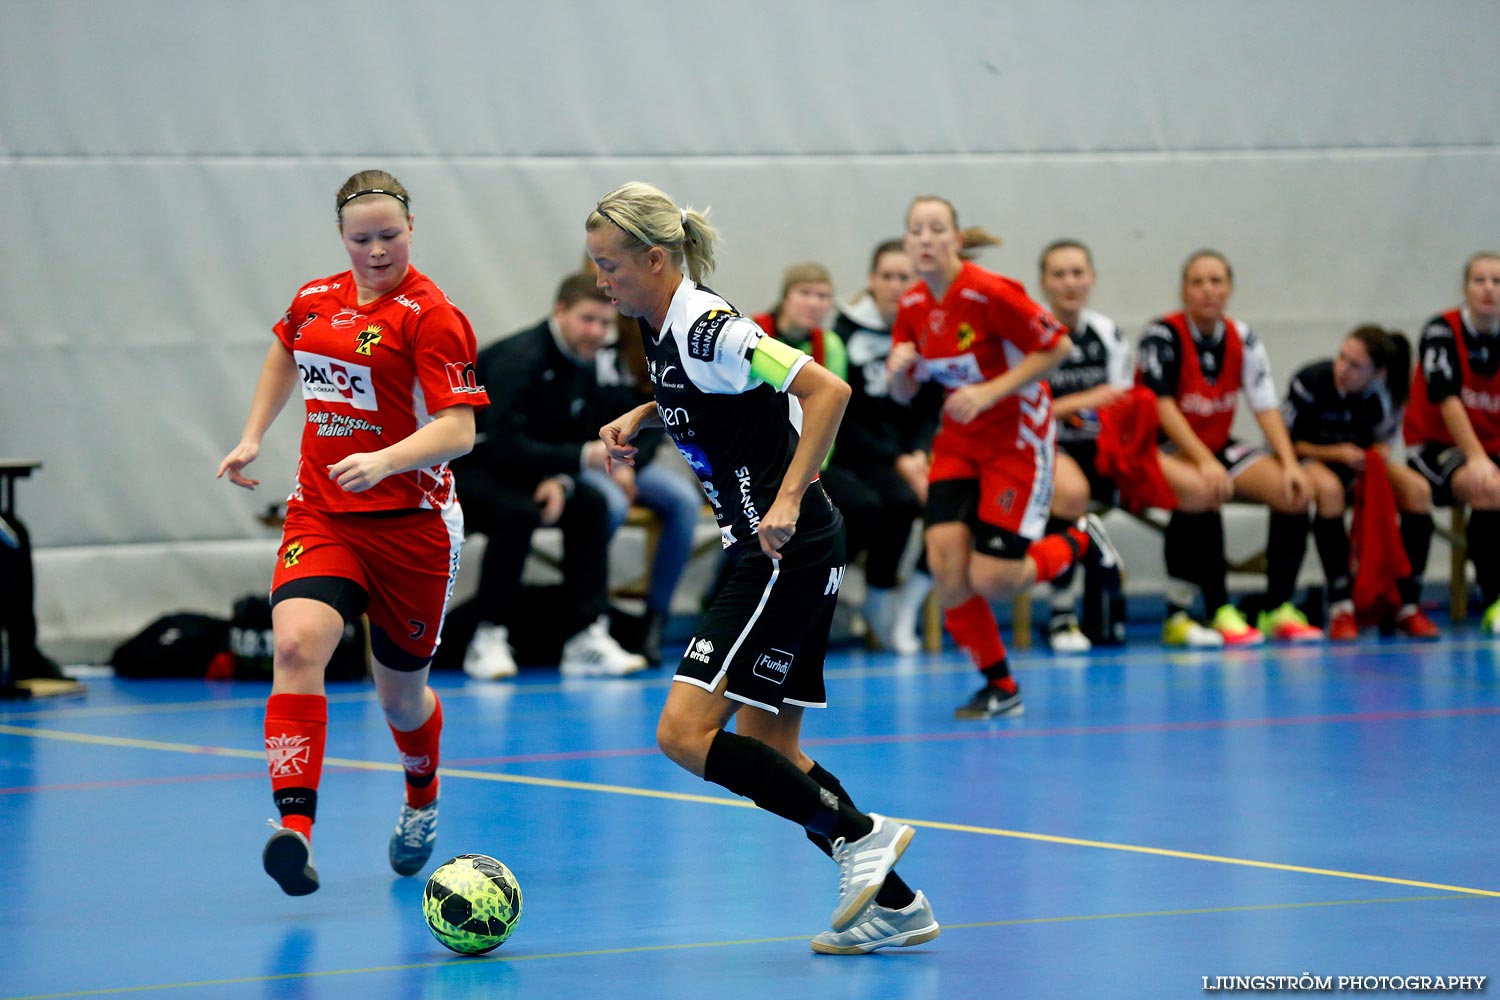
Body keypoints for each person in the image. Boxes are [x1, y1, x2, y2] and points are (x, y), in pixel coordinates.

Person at [588, 181, 936, 955]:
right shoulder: (659, 322)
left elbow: (827, 389)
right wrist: (644, 414)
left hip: (782, 549)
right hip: (791, 551)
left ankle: (859, 836)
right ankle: (900, 907)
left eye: (610, 265)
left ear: (654, 258)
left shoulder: (710, 324)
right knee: (772, 748)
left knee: (683, 733)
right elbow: (715, 397)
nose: (600, 280)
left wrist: (784, 500)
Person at [216, 170, 489, 895]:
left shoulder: (433, 316)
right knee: (297, 643)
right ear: (342, 237)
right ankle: (294, 832)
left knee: (399, 697)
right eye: (361, 239)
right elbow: (286, 349)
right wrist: (252, 437)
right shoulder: (314, 299)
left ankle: (422, 794)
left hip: (414, 526)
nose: (376, 251)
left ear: (411, 230)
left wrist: (388, 459)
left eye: (389, 237)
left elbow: (460, 429)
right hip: (324, 513)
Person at [887, 196, 1114, 719]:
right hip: (960, 442)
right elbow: (903, 395)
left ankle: (1082, 538)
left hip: (1017, 442)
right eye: (916, 229)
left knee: (993, 578)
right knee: (947, 565)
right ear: (907, 242)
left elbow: (1056, 347)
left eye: (936, 228)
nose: (925, 238)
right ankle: (1001, 686)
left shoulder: (991, 292)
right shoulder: (914, 305)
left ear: (956, 240)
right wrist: (901, 369)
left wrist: (991, 392)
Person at [449, 273, 653, 678]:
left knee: (591, 505)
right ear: (560, 312)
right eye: (587, 320)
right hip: (469, 472)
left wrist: (560, 480)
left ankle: (585, 636)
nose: (596, 332)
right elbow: (501, 446)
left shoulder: (583, 360)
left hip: (529, 474)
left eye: (605, 322)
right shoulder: (518, 360)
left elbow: (566, 433)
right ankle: (487, 635)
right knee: (520, 513)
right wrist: (578, 460)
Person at [1136, 249, 1314, 647]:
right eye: (1197, 282)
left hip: (1215, 443)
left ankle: (1276, 607)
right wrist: (1202, 460)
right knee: (1205, 488)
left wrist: (1289, 463)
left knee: (1295, 493)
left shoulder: (1243, 337)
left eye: (1216, 281)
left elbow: (1265, 404)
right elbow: (1162, 406)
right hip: (1159, 444)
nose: (1207, 291)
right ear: (1183, 290)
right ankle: (1215, 608)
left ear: (1230, 288)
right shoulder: (1161, 335)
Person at [1283, 326, 1439, 639]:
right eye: (1342, 357)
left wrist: (1379, 453)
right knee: (1330, 492)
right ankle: (1341, 605)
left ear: (1377, 373)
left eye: (1355, 366)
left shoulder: (1385, 394)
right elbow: (1286, 443)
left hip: (1358, 463)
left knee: (1418, 491)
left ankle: (1406, 603)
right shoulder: (1310, 381)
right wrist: (1334, 452)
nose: (1343, 368)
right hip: (1309, 457)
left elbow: (1383, 442)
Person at [828, 241, 939, 655]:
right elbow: (844, 414)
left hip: (911, 453)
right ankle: (878, 596)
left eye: (905, 277)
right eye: (887, 276)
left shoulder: (926, 329)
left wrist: (917, 453)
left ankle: (909, 602)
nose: (896, 286)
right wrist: (898, 460)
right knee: (897, 502)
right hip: (860, 453)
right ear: (872, 281)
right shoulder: (846, 331)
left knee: (955, 501)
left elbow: (930, 404)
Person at [1035, 240, 1131, 652]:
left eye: (1077, 273)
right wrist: (1078, 403)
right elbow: (1025, 411)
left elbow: (1124, 400)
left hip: (1103, 448)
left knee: (1198, 485)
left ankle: (1189, 608)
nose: (1069, 283)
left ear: (1091, 278)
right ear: (1044, 282)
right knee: (1071, 495)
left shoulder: (1107, 334)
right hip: (1045, 448)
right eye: (1059, 274)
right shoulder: (1031, 334)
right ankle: (1061, 613)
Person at [1404, 250, 1500, 631]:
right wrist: (1476, 457)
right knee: (1487, 487)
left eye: (1497, 281)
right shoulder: (1441, 331)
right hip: (1436, 446)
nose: (1489, 289)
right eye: (1480, 280)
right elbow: (1447, 400)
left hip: (1492, 446)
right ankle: (1494, 600)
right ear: (1464, 287)